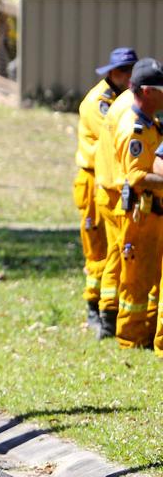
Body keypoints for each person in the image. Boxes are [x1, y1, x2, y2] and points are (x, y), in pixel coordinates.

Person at [92, 59, 163, 346]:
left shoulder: (150, 124)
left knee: (148, 275)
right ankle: (130, 339)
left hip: (151, 216)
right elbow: (136, 176)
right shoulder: (133, 129)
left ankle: (145, 333)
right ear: (146, 92)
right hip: (138, 215)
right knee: (135, 279)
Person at [74, 48, 136, 326]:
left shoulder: (119, 98)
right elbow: (115, 133)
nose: (130, 77)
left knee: (113, 245)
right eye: (125, 72)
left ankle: (107, 304)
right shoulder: (100, 102)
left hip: (108, 177)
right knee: (96, 246)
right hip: (92, 178)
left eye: (132, 71)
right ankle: (93, 306)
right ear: (112, 73)